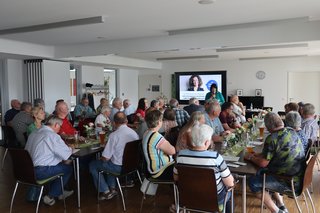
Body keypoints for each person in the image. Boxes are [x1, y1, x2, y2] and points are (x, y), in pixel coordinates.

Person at [245, 112, 305, 213]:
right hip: (300, 177)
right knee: (261, 172)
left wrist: (250, 157)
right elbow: (278, 151)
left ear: (268, 127)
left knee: (253, 181)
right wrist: (259, 155)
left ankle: (276, 211)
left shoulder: (272, 138)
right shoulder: (291, 131)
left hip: (289, 182)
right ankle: (281, 205)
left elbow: (263, 163)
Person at [174, 124, 234, 213]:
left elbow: (176, 178)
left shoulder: (180, 155)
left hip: (188, 197)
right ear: (206, 142)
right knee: (230, 191)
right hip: (213, 199)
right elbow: (230, 183)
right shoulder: (215, 157)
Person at [25, 115, 74, 206]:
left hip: (27, 170)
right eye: (60, 126)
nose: (60, 129)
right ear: (55, 125)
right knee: (67, 168)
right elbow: (66, 155)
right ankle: (52, 195)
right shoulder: (52, 135)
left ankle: (59, 192)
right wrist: (71, 148)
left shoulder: (34, 133)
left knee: (58, 165)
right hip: (40, 171)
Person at [89, 112, 139, 200]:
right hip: (132, 166)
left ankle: (105, 191)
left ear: (114, 123)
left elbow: (105, 158)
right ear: (126, 121)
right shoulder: (134, 133)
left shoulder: (114, 135)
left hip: (119, 168)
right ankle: (112, 188)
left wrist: (101, 158)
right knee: (111, 161)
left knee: (93, 164)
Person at [142, 110, 175, 180]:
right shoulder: (155, 136)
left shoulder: (147, 132)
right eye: (161, 120)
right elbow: (172, 151)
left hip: (155, 168)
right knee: (183, 169)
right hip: (160, 170)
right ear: (159, 121)